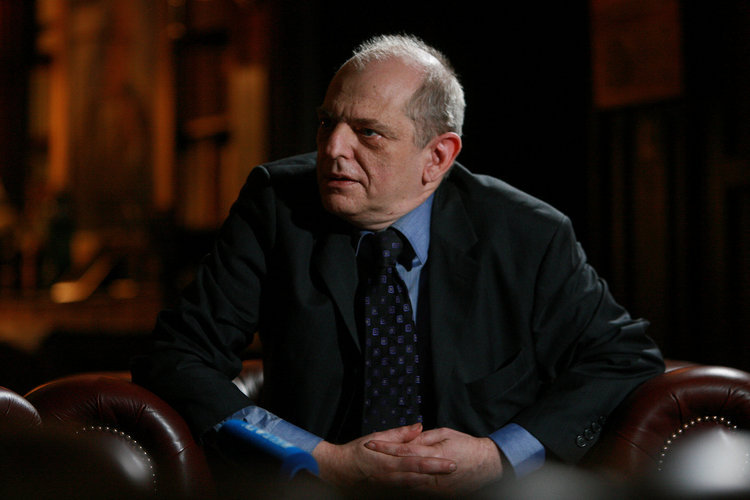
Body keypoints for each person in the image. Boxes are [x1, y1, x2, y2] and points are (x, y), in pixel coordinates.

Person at [132, 34, 664, 495]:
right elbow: (177, 356)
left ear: (437, 157)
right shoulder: (277, 207)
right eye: (327, 123)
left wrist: (498, 455)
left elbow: (622, 358)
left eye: (368, 132)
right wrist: (313, 457)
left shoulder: (526, 233)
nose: (333, 148)